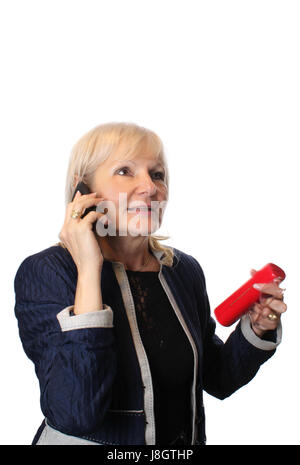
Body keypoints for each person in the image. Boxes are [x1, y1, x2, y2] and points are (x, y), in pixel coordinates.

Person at [14, 122, 287, 445]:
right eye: (125, 171)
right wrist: (88, 269)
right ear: (82, 190)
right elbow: (77, 413)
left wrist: (258, 328)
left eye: (157, 174)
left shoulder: (182, 270)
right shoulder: (49, 271)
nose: (149, 187)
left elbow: (219, 378)